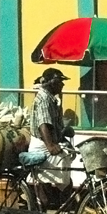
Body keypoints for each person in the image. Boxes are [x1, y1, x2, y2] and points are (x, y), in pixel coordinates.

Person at [21, 67, 74, 195]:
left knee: (64, 175)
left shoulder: (52, 99)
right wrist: (50, 145)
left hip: (48, 142)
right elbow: (43, 125)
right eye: (59, 81)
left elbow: (54, 126)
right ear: (51, 83)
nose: (62, 84)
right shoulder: (44, 99)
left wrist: (63, 139)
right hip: (43, 145)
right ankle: (64, 209)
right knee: (64, 178)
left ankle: (63, 209)